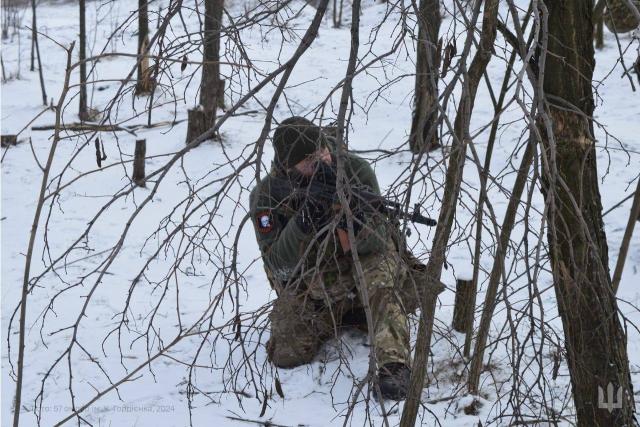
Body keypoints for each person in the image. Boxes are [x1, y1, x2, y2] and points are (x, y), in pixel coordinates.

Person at [249, 116, 424, 400]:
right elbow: (278, 267)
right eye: (309, 161)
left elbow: (380, 243)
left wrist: (352, 221)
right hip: (313, 288)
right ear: (288, 166)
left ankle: (394, 365)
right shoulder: (267, 196)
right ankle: (346, 315)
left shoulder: (355, 170)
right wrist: (302, 223)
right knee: (287, 353)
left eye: (322, 152)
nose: (321, 162)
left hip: (362, 272)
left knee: (379, 274)